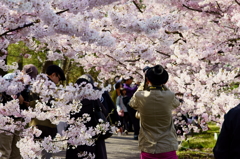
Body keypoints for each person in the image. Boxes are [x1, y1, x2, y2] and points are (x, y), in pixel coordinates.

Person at [129, 65, 181, 159]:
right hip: (167, 145)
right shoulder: (169, 96)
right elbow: (176, 103)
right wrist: (163, 85)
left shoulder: (140, 96)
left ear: (148, 80)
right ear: (165, 81)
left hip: (148, 146)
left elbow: (132, 104)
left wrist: (143, 84)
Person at [29, 64, 65, 159]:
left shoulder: (37, 83)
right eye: (59, 78)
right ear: (53, 75)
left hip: (36, 124)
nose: (58, 82)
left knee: (36, 153)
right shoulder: (47, 85)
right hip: (44, 124)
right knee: (44, 154)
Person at [66, 78, 108, 159]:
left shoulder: (72, 100)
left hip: (75, 134)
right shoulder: (93, 98)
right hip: (93, 133)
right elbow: (104, 111)